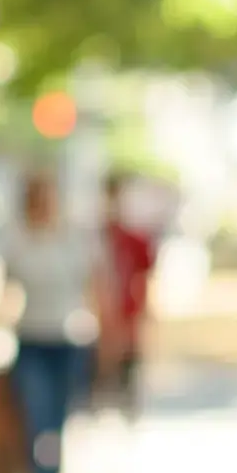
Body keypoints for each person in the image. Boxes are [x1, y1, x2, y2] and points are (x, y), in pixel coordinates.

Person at [0, 169, 107, 473]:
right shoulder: (18, 240)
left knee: (58, 417)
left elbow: (92, 285)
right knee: (35, 411)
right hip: (31, 339)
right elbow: (7, 290)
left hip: (69, 339)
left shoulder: (74, 239)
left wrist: (105, 333)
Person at [94, 172, 159, 423]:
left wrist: (143, 318)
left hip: (127, 315)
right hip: (99, 321)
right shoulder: (96, 236)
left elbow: (144, 281)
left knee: (127, 377)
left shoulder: (135, 239)